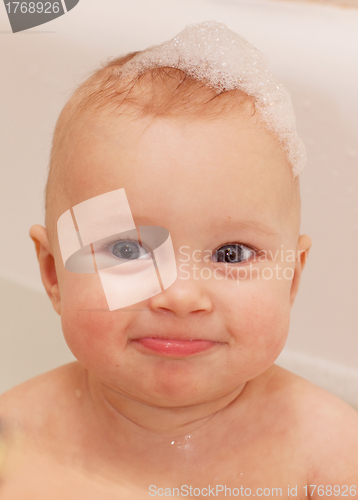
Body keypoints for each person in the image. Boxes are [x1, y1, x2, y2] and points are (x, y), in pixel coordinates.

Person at [1, 21, 357, 499]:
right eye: (127, 250)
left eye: (231, 254)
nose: (181, 296)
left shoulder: (330, 456)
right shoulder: (13, 439)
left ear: (290, 278)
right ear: (53, 275)